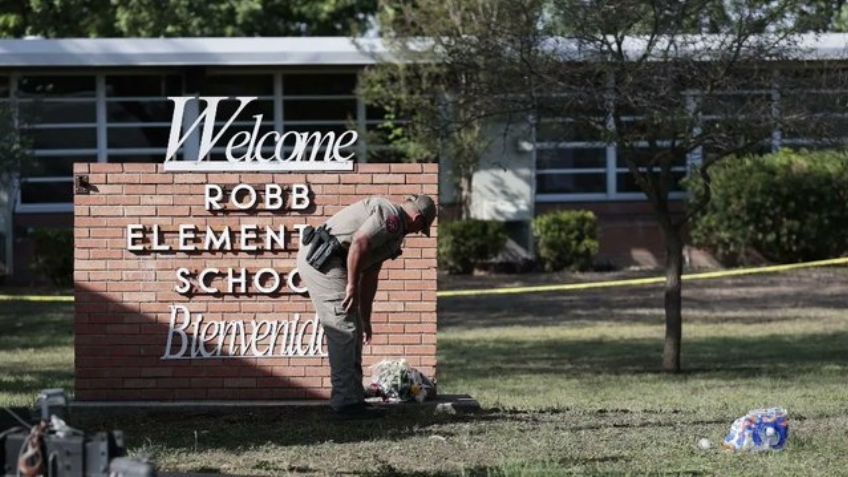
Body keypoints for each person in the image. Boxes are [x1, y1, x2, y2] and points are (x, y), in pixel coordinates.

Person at [296, 194, 436, 418]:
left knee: (356, 327)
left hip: (336, 262)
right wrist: (351, 285)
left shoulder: (394, 234)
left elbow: (371, 274)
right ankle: (345, 404)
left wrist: (366, 318)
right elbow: (359, 243)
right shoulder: (389, 216)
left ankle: (354, 398)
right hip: (322, 261)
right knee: (343, 328)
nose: (418, 232)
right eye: (422, 228)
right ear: (418, 218)